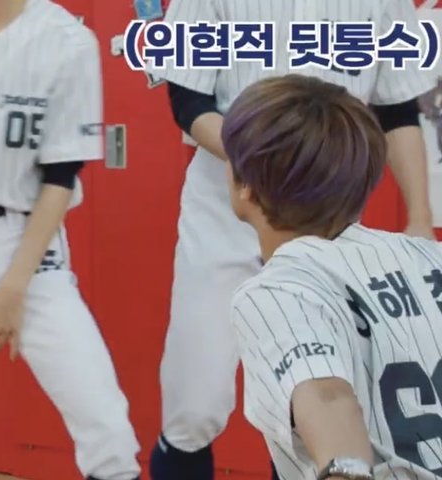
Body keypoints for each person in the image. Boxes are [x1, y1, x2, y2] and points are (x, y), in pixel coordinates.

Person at [149, 1, 436, 479]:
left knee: (314, 399)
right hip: (229, 207)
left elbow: (398, 109)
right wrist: (270, 157)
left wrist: (420, 220)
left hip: (329, 217)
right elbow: (189, 101)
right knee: (195, 405)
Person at [222, 73, 442, 480]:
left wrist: (347, 468)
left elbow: (327, 396)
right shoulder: (431, 256)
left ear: (245, 187)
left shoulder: (276, 290)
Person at [0, 1, 140, 479]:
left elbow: (61, 176)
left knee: (102, 417)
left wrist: (13, 288)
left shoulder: (66, 39)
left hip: (24, 238)